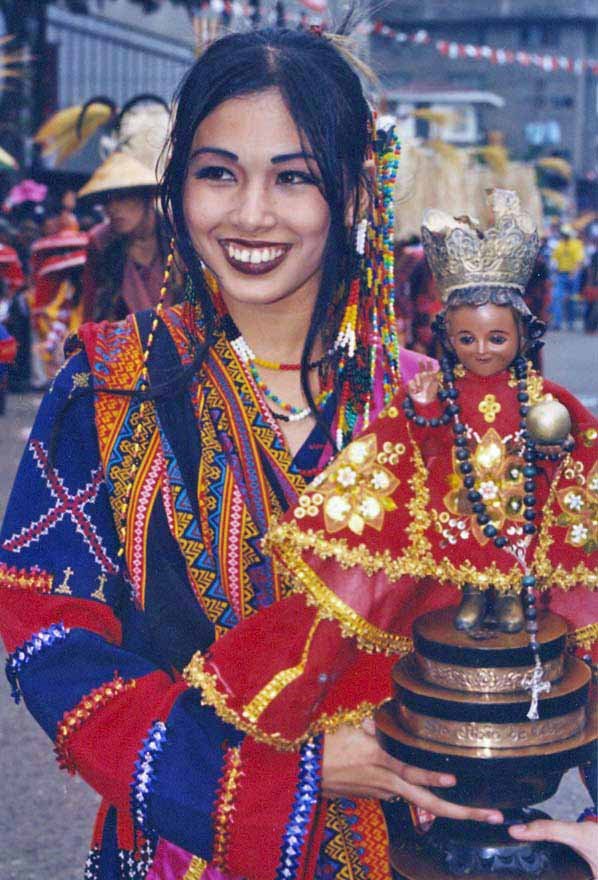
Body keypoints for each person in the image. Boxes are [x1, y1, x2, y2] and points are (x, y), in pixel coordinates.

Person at [0, 26, 493, 880]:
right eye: (217, 172)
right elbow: (45, 632)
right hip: (177, 847)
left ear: (351, 195)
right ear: (178, 188)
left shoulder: (436, 408)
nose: (251, 213)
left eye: (293, 176)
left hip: (416, 854)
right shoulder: (105, 389)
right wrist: (287, 774)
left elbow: (553, 623)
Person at [186, 190, 597, 874]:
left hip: (520, 523)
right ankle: (475, 608)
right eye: (467, 340)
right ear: (447, 337)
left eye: (497, 340)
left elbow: (574, 449)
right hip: (456, 522)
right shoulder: (434, 392)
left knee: (509, 591)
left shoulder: (542, 403)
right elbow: (397, 443)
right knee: (468, 588)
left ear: (524, 336)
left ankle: (499, 610)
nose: (482, 351)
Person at [78, 151, 175, 322]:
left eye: (123, 197)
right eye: (107, 200)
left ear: (146, 196)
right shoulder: (101, 242)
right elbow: (91, 313)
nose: (113, 208)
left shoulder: (176, 233)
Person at [550, 225, 585, 330]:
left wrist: (574, 273)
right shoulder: (559, 245)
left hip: (572, 275)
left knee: (572, 299)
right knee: (557, 298)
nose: (564, 236)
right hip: (561, 275)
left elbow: (579, 261)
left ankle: (571, 323)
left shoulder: (576, 245)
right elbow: (554, 260)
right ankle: (557, 323)